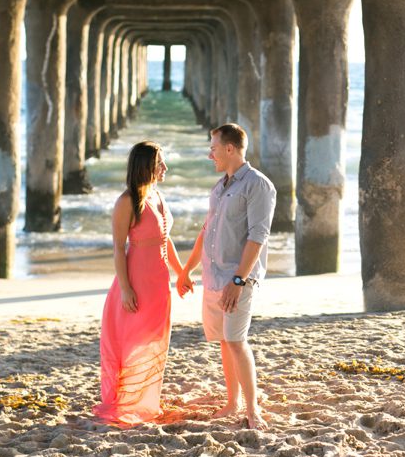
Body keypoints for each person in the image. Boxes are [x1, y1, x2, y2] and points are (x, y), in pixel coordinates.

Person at [178, 123, 276, 430]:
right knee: (224, 341)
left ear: (230, 149)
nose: (211, 154)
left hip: (237, 278)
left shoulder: (257, 185)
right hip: (214, 275)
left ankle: (252, 409)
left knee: (236, 341)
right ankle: (233, 402)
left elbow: (258, 237)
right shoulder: (219, 188)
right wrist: (187, 269)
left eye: (214, 148)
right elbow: (207, 232)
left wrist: (238, 281)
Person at [94, 141, 183, 425]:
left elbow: (165, 239)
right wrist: (126, 289)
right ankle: (128, 402)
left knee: (155, 340)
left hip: (159, 283)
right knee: (132, 340)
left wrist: (181, 273)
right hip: (135, 282)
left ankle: (146, 400)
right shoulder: (126, 202)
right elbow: (119, 248)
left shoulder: (157, 196)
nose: (165, 168)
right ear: (147, 166)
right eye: (160, 164)